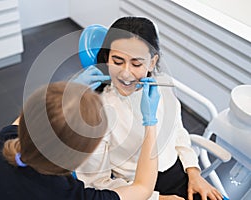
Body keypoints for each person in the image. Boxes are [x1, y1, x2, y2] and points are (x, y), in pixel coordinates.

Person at [75, 16, 224, 200]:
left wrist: (194, 172)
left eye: (137, 63)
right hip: (131, 187)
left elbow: (177, 131)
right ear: (106, 58)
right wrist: (157, 198)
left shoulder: (161, 87)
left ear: (152, 62)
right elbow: (97, 183)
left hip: (178, 172)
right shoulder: (96, 112)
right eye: (117, 61)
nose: (126, 73)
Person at [0, 81, 160, 200]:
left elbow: (31, 116)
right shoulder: (69, 195)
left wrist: (65, 96)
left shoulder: (1, 141)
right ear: (78, 160)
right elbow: (143, 188)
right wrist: (150, 122)